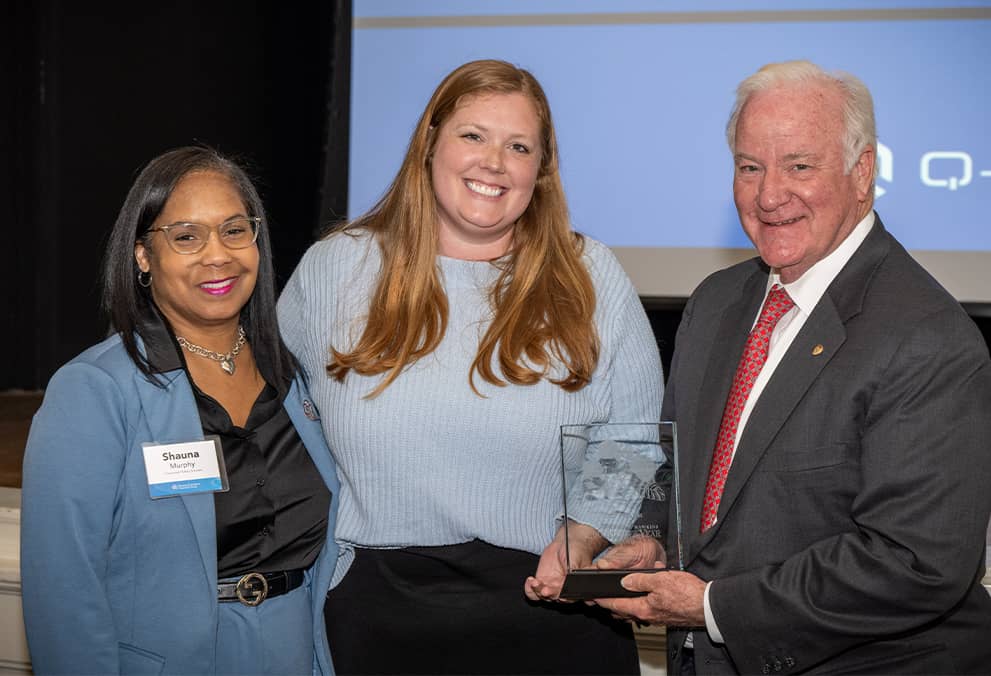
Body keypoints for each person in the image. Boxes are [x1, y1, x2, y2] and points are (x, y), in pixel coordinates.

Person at [594, 60, 991, 674]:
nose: (769, 194)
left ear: (863, 173)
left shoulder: (928, 338)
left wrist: (714, 607)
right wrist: (649, 542)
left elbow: (912, 561)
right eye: (749, 167)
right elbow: (676, 470)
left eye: (799, 166)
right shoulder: (716, 301)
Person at [277, 59, 663, 674]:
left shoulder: (592, 276)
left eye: (519, 147)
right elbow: (277, 427)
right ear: (430, 143)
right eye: (473, 135)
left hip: (555, 617)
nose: (494, 162)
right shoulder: (335, 269)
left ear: (541, 169)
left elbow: (631, 438)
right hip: (378, 621)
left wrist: (585, 533)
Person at [20, 146, 341, 675]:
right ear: (143, 256)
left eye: (234, 231)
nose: (218, 255)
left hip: (295, 651)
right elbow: (64, 588)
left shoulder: (295, 377)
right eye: (187, 237)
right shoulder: (94, 390)